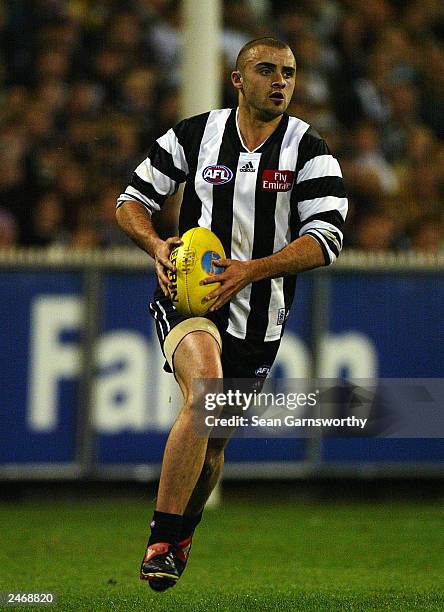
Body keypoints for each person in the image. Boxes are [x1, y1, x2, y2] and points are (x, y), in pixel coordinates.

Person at [116, 37, 347, 591]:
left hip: (259, 314)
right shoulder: (194, 135)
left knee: (215, 442)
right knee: (206, 394)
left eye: (289, 72)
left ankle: (183, 532)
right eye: (267, 70)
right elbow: (131, 201)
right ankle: (160, 537)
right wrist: (157, 248)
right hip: (188, 300)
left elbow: (328, 238)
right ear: (238, 79)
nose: (281, 81)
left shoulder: (310, 151)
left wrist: (252, 269)